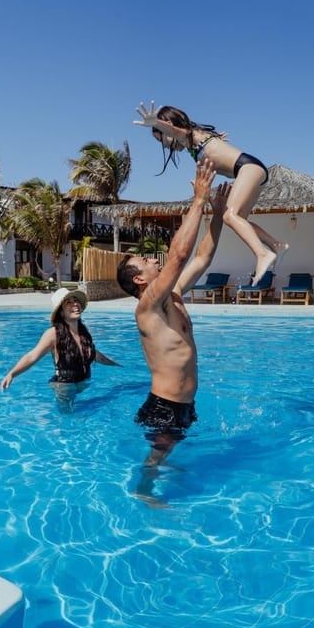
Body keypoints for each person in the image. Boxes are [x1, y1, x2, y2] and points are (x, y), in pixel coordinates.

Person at [117, 159, 229, 472]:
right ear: (139, 280)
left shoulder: (172, 293)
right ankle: (143, 492)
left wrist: (217, 216)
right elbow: (179, 256)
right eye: (145, 261)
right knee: (152, 464)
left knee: (169, 458)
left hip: (183, 405)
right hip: (165, 406)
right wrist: (198, 201)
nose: (153, 259)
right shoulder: (148, 304)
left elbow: (202, 256)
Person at [134, 101, 288, 286]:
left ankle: (263, 254)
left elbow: (176, 131)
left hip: (248, 168)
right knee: (238, 219)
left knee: (229, 216)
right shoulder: (194, 141)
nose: (165, 146)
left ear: (170, 127)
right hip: (251, 169)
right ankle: (277, 245)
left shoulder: (188, 136)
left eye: (162, 139)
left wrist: (156, 123)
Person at [0, 288, 120, 410]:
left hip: (83, 382)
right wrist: (12, 373)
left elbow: (94, 355)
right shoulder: (53, 334)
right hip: (65, 386)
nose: (75, 304)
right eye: (68, 302)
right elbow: (32, 356)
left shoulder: (84, 332)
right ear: (61, 312)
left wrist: (116, 365)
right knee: (69, 419)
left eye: (76, 301)